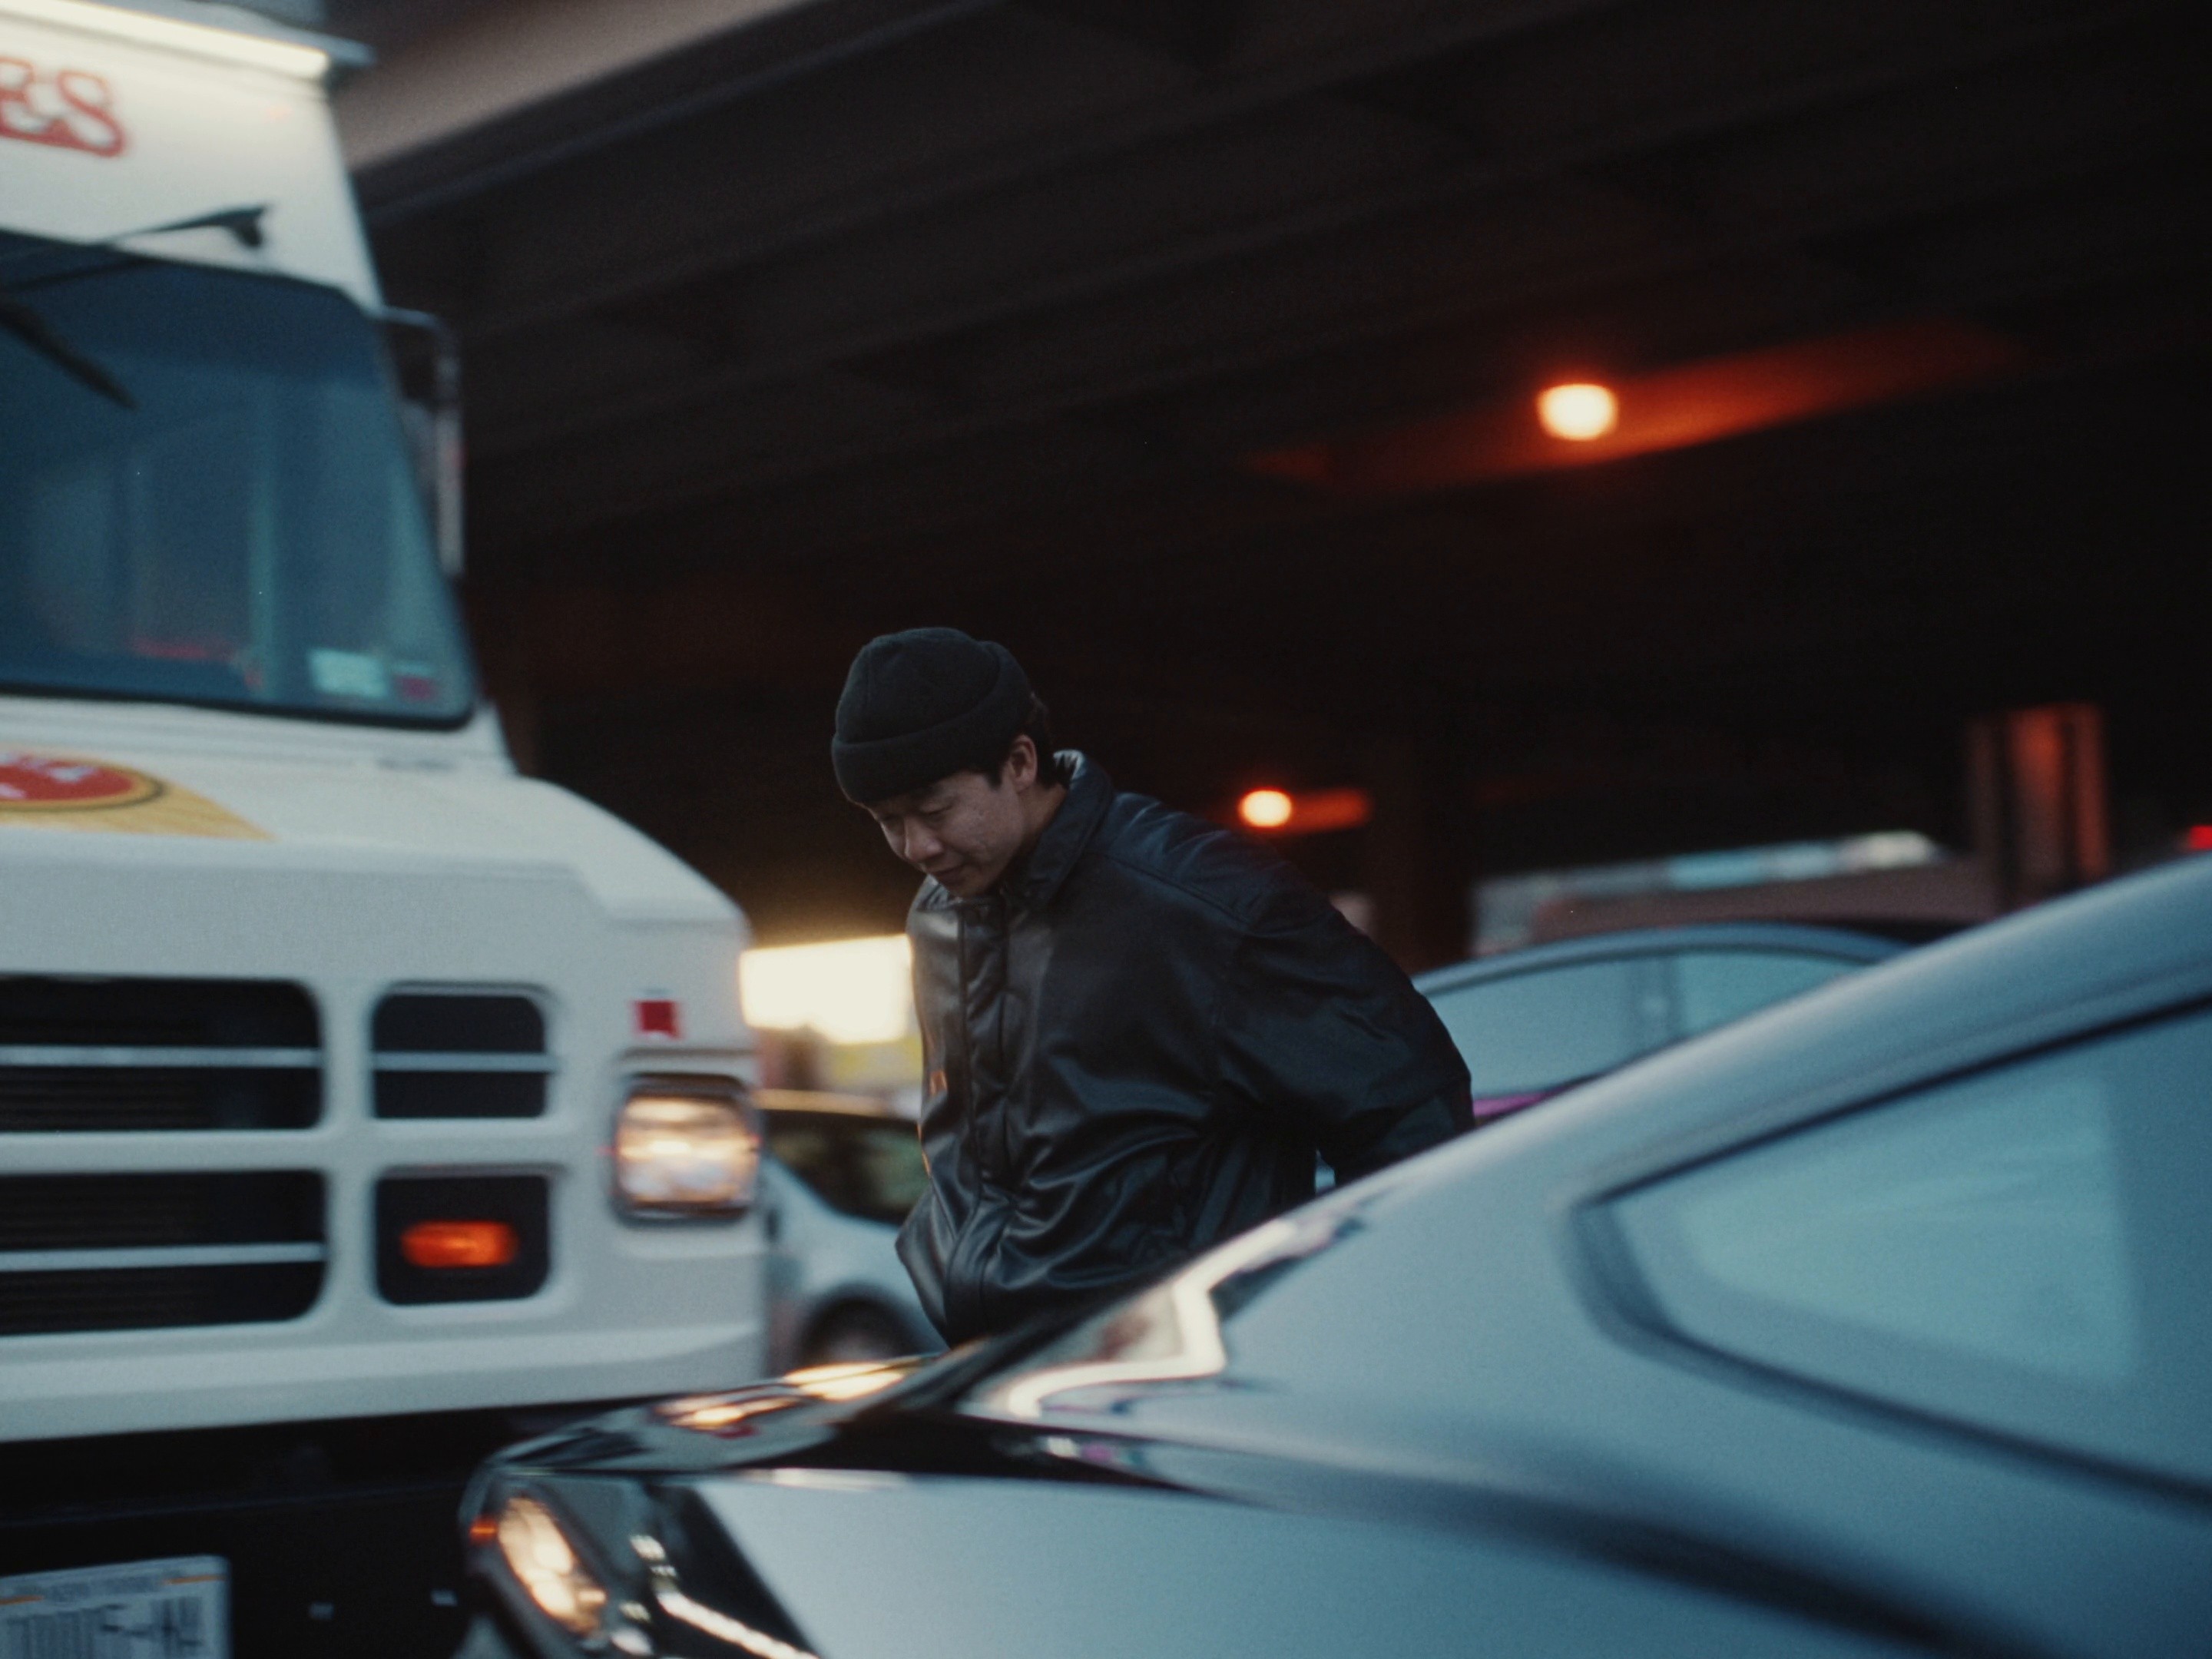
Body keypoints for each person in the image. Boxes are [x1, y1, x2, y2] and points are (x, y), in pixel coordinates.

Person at [832, 627, 1472, 1345]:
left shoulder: (1203, 902)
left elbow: (1408, 1105)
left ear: (1018, 762)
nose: (917, 848)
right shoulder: (936, 920)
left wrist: (1326, 1325)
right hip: (997, 1371)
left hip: (1171, 1380)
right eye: (888, 822)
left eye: (935, 809)